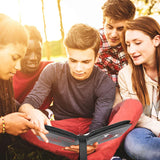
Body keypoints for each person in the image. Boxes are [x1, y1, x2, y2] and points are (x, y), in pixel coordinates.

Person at [19, 23, 143, 160]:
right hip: (63, 131)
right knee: (22, 123)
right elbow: (29, 102)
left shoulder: (105, 82)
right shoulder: (53, 71)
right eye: (73, 60)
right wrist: (31, 112)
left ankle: (93, 156)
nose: (78, 68)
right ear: (67, 54)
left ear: (96, 58)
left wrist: (91, 141)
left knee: (133, 105)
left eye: (85, 62)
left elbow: (99, 123)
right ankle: (98, 153)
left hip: (94, 130)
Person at [0, 13, 48, 158]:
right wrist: (3, 125)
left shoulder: (4, 78)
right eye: (15, 58)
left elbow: (7, 101)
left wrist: (29, 111)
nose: (19, 66)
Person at [118, 16, 160, 160]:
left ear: (156, 40)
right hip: (143, 131)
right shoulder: (125, 75)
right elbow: (135, 116)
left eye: (137, 43)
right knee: (135, 144)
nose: (131, 50)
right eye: (128, 44)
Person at [95, 0, 136, 106]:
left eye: (120, 29)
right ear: (103, 22)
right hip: (102, 98)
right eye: (109, 27)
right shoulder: (93, 43)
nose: (113, 34)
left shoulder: (134, 42)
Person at [13, 25, 53, 111]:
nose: (33, 58)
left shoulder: (50, 69)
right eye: (27, 52)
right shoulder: (7, 72)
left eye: (38, 52)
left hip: (41, 121)